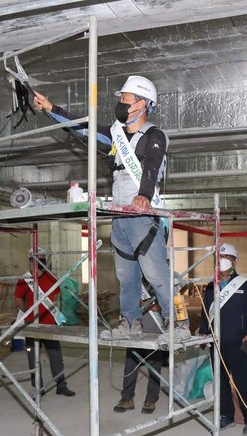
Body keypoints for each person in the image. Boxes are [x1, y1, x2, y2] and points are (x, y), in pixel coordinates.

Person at [33, 76, 190, 343]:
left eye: (125, 99)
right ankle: (130, 322)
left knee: (157, 275)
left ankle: (179, 324)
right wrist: (52, 109)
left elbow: (151, 167)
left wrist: (143, 195)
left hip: (143, 215)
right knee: (126, 276)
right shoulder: (116, 134)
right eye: (121, 99)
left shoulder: (154, 136)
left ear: (142, 104)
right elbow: (84, 127)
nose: (120, 103)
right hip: (121, 217)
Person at [198, 243, 247, 436]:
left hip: (237, 341)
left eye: (228, 258)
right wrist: (203, 332)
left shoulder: (244, 284)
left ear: (235, 261)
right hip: (216, 342)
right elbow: (205, 311)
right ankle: (227, 415)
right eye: (220, 258)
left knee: (241, 381)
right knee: (221, 381)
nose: (223, 261)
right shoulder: (210, 286)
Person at [14, 246, 75, 397]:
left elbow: (55, 298)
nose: (39, 262)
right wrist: (29, 312)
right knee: (32, 357)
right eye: (35, 259)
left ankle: (61, 385)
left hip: (49, 325)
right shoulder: (24, 280)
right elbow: (18, 299)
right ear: (30, 261)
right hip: (31, 326)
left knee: (55, 355)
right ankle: (38, 387)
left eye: (41, 259)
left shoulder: (51, 278)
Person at [113, 286, 166, 414]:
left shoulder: (159, 281)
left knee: (154, 367)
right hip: (135, 331)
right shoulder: (135, 282)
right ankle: (127, 398)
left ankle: (151, 400)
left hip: (154, 332)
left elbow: (163, 306)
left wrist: (146, 305)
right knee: (130, 366)